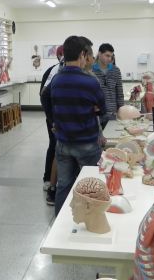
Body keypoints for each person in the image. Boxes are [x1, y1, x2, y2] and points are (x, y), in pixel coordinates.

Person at [41, 35, 106, 216]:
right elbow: (103, 108)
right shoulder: (90, 82)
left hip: (63, 143)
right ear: (82, 54)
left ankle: (59, 223)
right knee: (90, 184)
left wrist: (53, 120)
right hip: (86, 143)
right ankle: (90, 219)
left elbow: (44, 97)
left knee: (63, 185)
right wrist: (93, 109)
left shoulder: (56, 79)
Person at [39, 45, 64, 206]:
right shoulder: (53, 71)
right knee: (54, 146)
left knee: (58, 148)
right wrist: (51, 118)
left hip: (60, 118)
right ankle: (48, 179)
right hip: (55, 118)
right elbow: (43, 94)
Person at [92, 43, 124, 129]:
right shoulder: (91, 70)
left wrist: (121, 111)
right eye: (107, 55)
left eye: (111, 56)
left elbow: (120, 94)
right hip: (95, 115)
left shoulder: (116, 70)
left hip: (112, 114)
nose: (109, 58)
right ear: (99, 54)